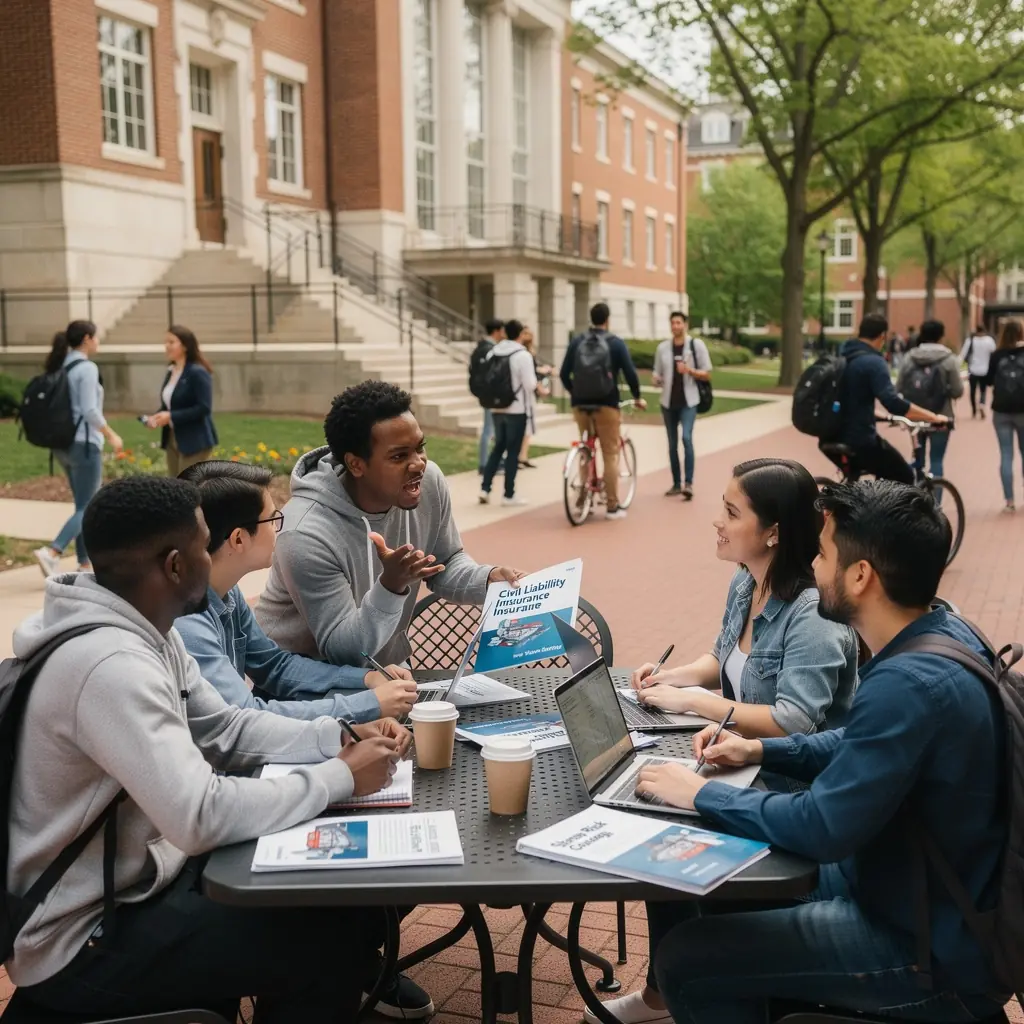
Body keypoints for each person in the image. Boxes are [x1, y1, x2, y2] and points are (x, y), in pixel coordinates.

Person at [8, 475, 407, 1022]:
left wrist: (336, 738)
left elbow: (227, 728)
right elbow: (198, 815)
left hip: (143, 885)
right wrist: (339, 776)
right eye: (202, 543)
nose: (213, 552)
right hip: (84, 938)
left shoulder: (149, 630)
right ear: (175, 565)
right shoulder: (109, 667)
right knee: (324, 949)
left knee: (341, 909)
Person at [632, 480, 1008, 1024]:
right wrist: (759, 751)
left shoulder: (907, 681)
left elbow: (821, 825)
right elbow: (856, 739)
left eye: (824, 552)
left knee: (687, 959)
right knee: (716, 889)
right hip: (911, 891)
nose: (813, 561)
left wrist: (703, 795)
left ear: (861, 576)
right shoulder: (941, 629)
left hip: (922, 949)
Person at [589, 459, 860, 1024]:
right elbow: (722, 660)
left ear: (775, 531)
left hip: (790, 785)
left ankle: (679, 987)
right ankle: (665, 993)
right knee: (657, 813)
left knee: (666, 822)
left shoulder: (812, 612)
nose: (716, 521)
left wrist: (695, 704)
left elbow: (795, 723)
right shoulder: (747, 577)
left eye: (731, 513)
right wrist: (674, 678)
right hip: (739, 763)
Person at [256, 380, 523, 666]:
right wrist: (391, 585)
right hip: (299, 682)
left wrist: (488, 578)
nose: (418, 463)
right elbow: (342, 651)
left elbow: (445, 562)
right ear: (356, 465)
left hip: (386, 671)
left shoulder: (427, 482)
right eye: (399, 456)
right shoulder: (305, 533)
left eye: (420, 448)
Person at [175, 460, 418, 723]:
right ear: (238, 539)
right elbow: (247, 717)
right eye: (273, 518)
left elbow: (274, 666)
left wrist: (368, 678)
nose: (280, 527)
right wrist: (368, 704)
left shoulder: (226, 592)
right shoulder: (187, 623)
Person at [33, 320, 124, 578]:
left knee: (82, 505)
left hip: (62, 445)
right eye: (96, 337)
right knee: (89, 505)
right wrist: (111, 434)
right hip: (84, 444)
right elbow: (90, 410)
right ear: (86, 338)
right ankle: (52, 552)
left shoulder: (62, 364)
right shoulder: (86, 368)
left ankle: (84, 563)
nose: (97, 342)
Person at [823, 313, 949, 485]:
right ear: (882, 336)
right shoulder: (874, 362)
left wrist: (883, 417)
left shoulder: (843, 357)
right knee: (905, 476)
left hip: (830, 436)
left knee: (859, 482)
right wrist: (933, 417)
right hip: (859, 440)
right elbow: (892, 402)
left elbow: (852, 401)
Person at [559, 302, 646, 520]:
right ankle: (612, 506)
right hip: (607, 405)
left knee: (585, 448)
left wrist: (575, 393)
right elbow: (630, 373)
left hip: (581, 406)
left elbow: (563, 373)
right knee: (610, 453)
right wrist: (637, 397)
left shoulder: (577, 341)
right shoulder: (615, 343)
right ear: (607, 319)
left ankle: (582, 498)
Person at [651, 311, 712, 500]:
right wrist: (656, 379)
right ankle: (676, 483)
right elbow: (656, 373)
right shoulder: (663, 348)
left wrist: (689, 371)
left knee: (686, 438)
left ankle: (689, 483)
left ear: (685, 324)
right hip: (668, 402)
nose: (675, 326)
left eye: (678, 323)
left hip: (689, 402)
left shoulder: (696, 345)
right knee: (671, 444)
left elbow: (707, 373)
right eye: (673, 323)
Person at [144, 325, 218, 476]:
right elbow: (170, 404)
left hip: (195, 440)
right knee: (176, 487)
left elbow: (204, 407)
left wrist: (171, 416)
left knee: (188, 488)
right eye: (166, 342)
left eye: (171, 342)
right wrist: (157, 417)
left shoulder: (197, 373)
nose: (167, 346)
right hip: (173, 438)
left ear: (184, 346)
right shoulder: (171, 371)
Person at [478, 319, 537, 507]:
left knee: (497, 448)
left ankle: (485, 489)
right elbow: (530, 385)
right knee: (512, 452)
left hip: (496, 407)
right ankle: (508, 494)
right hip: (516, 408)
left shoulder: (493, 352)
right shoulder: (522, 355)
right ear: (520, 334)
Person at [895, 319, 963, 481]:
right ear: (941, 336)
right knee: (937, 460)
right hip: (941, 415)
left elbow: (898, 387)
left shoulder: (909, 358)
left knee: (918, 460)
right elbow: (957, 391)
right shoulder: (949, 359)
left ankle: (920, 502)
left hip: (915, 415)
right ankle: (936, 504)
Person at [989, 318, 1024, 512]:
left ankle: (1009, 501)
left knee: (1006, 454)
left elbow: (987, 379)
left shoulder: (997, 355)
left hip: (1001, 410)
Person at [471, 318, 506, 473]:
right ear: (497, 331)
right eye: (502, 330)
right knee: (489, 430)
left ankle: (489, 462)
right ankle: (485, 465)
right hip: (492, 395)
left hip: (484, 393)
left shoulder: (480, 347)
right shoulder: (491, 350)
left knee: (490, 429)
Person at [518, 326, 553, 469]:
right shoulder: (523, 354)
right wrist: (541, 389)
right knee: (525, 427)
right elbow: (529, 376)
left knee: (527, 429)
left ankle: (523, 456)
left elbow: (532, 371)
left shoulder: (526, 353)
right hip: (524, 395)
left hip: (525, 395)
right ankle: (520, 457)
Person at [961, 323, 998, 419]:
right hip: (985, 369)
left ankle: (973, 410)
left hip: (972, 369)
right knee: (983, 390)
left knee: (972, 391)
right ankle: (982, 404)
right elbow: (994, 352)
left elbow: (964, 354)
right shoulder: (989, 341)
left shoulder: (971, 340)